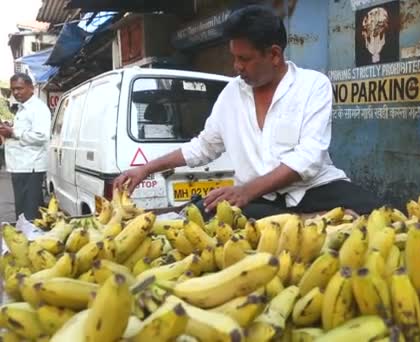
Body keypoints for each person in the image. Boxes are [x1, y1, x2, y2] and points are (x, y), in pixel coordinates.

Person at [113, 5, 381, 219]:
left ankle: (307, 218)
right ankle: (312, 221)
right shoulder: (231, 94)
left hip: (313, 190)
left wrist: (246, 191)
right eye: (234, 57)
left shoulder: (313, 85)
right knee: (201, 214)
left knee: (378, 213)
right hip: (257, 200)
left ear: (274, 55)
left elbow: (309, 159)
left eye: (244, 58)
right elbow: (203, 147)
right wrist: (146, 169)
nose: (236, 67)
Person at [0, 73, 51, 220]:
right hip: (20, 167)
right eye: (13, 89)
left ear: (31, 88)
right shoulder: (23, 108)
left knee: (30, 212)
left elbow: (42, 136)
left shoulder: (37, 108)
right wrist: (9, 129)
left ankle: (32, 240)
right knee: (23, 212)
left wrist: (13, 132)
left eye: (19, 88)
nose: (16, 92)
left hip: (30, 168)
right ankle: (26, 238)